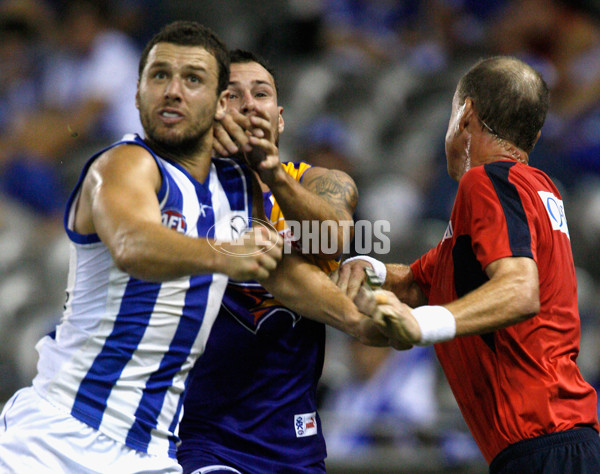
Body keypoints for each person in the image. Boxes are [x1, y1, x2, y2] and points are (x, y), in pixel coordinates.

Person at [0, 21, 285, 473]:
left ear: (217, 104)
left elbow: (284, 273)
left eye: (192, 79)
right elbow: (132, 245)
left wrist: (364, 317)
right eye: (158, 76)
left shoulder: (237, 186)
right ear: (136, 95)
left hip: (152, 454)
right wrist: (227, 253)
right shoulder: (123, 164)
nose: (172, 91)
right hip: (54, 440)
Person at [335, 56, 600, 473]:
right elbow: (421, 284)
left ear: (466, 114)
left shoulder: (486, 181)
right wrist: (373, 269)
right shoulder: (531, 189)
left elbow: (519, 290)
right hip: (559, 442)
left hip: (541, 447)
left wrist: (422, 326)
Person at [177, 49, 365, 474]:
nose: (248, 103)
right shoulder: (184, 194)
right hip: (205, 438)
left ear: (279, 118)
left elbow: (333, 238)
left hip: (295, 443)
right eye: (232, 95)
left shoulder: (319, 181)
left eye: (260, 93)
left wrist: (272, 173)